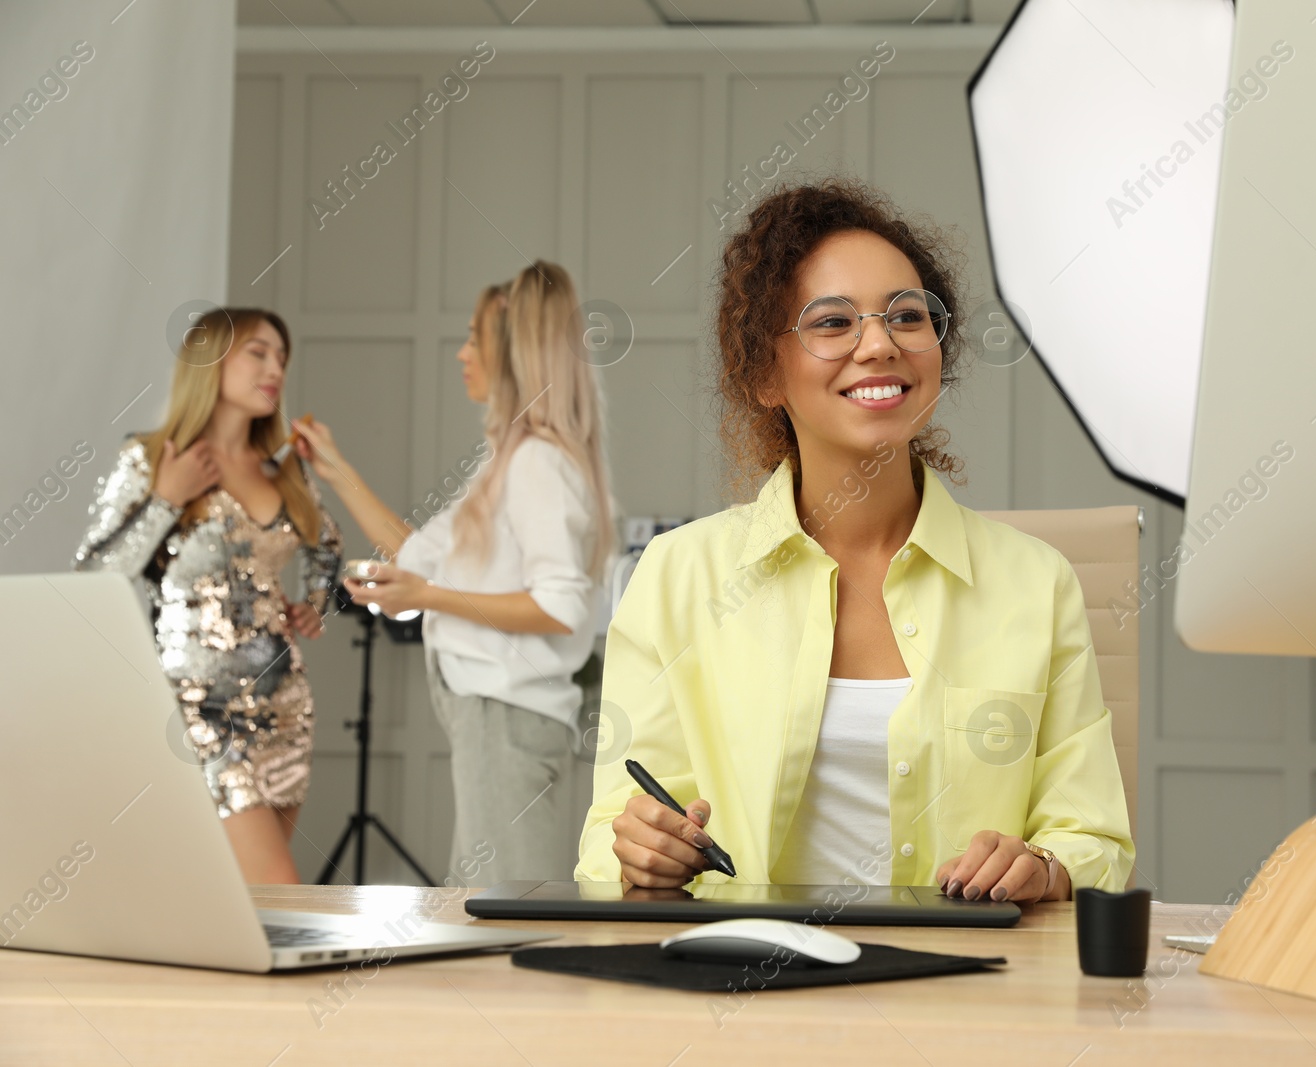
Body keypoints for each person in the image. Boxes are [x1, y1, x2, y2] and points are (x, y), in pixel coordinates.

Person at [577, 179, 1133, 903]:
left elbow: (1096, 842)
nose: (880, 344)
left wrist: (1046, 867)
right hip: (743, 993)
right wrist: (642, 853)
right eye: (832, 323)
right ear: (766, 375)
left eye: (907, 315)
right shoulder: (678, 578)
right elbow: (608, 844)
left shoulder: (1038, 582)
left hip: (963, 994)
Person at [295, 262, 613, 887]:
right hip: (485, 716)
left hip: (505, 714)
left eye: (475, 338)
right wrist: (336, 471)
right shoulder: (505, 464)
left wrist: (429, 596)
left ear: (512, 353)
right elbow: (417, 555)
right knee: (478, 899)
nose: (462, 353)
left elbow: (561, 606)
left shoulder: (536, 465)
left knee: (504, 905)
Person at [75, 308, 342, 884]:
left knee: (245, 903)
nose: (276, 369)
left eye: (281, 359)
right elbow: (93, 579)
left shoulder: (285, 472)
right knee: (279, 887)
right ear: (211, 359)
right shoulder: (151, 458)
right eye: (259, 353)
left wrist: (316, 605)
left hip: (285, 708)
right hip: (195, 708)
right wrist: (166, 501)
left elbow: (329, 551)